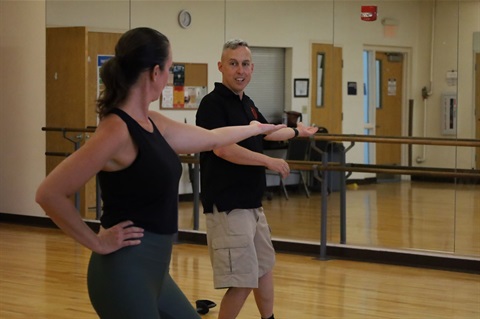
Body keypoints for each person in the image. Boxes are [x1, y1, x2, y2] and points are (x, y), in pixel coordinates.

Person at [35, 28, 285, 319]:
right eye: (169, 69)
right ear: (155, 72)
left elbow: (212, 138)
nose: (169, 76)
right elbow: (49, 194)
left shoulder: (153, 121)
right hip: (124, 274)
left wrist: (258, 128)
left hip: (157, 273)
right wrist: (96, 241)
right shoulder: (116, 130)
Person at [195, 39, 318, 319]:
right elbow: (223, 148)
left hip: (251, 203)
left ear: (253, 67)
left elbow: (268, 132)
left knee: (263, 268)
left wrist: (298, 132)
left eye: (245, 64)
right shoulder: (213, 104)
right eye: (234, 63)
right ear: (221, 67)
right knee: (242, 280)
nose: (240, 70)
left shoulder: (247, 103)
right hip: (228, 206)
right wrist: (268, 161)